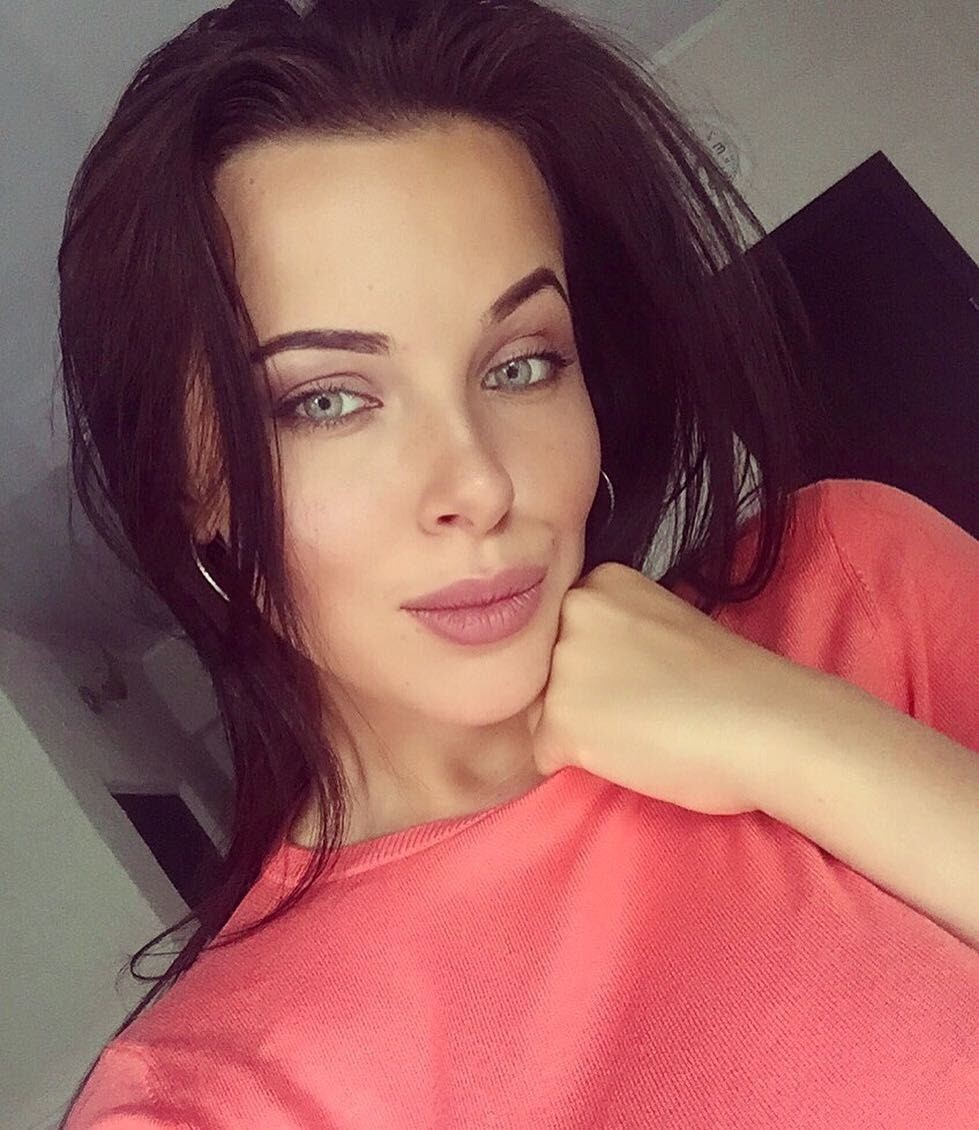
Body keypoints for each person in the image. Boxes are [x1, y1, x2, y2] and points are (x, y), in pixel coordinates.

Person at [56, 0, 978, 1126]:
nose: (480, 483)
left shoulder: (857, 583)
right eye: (328, 401)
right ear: (191, 485)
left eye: (520, 365)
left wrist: (790, 732)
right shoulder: (211, 1098)